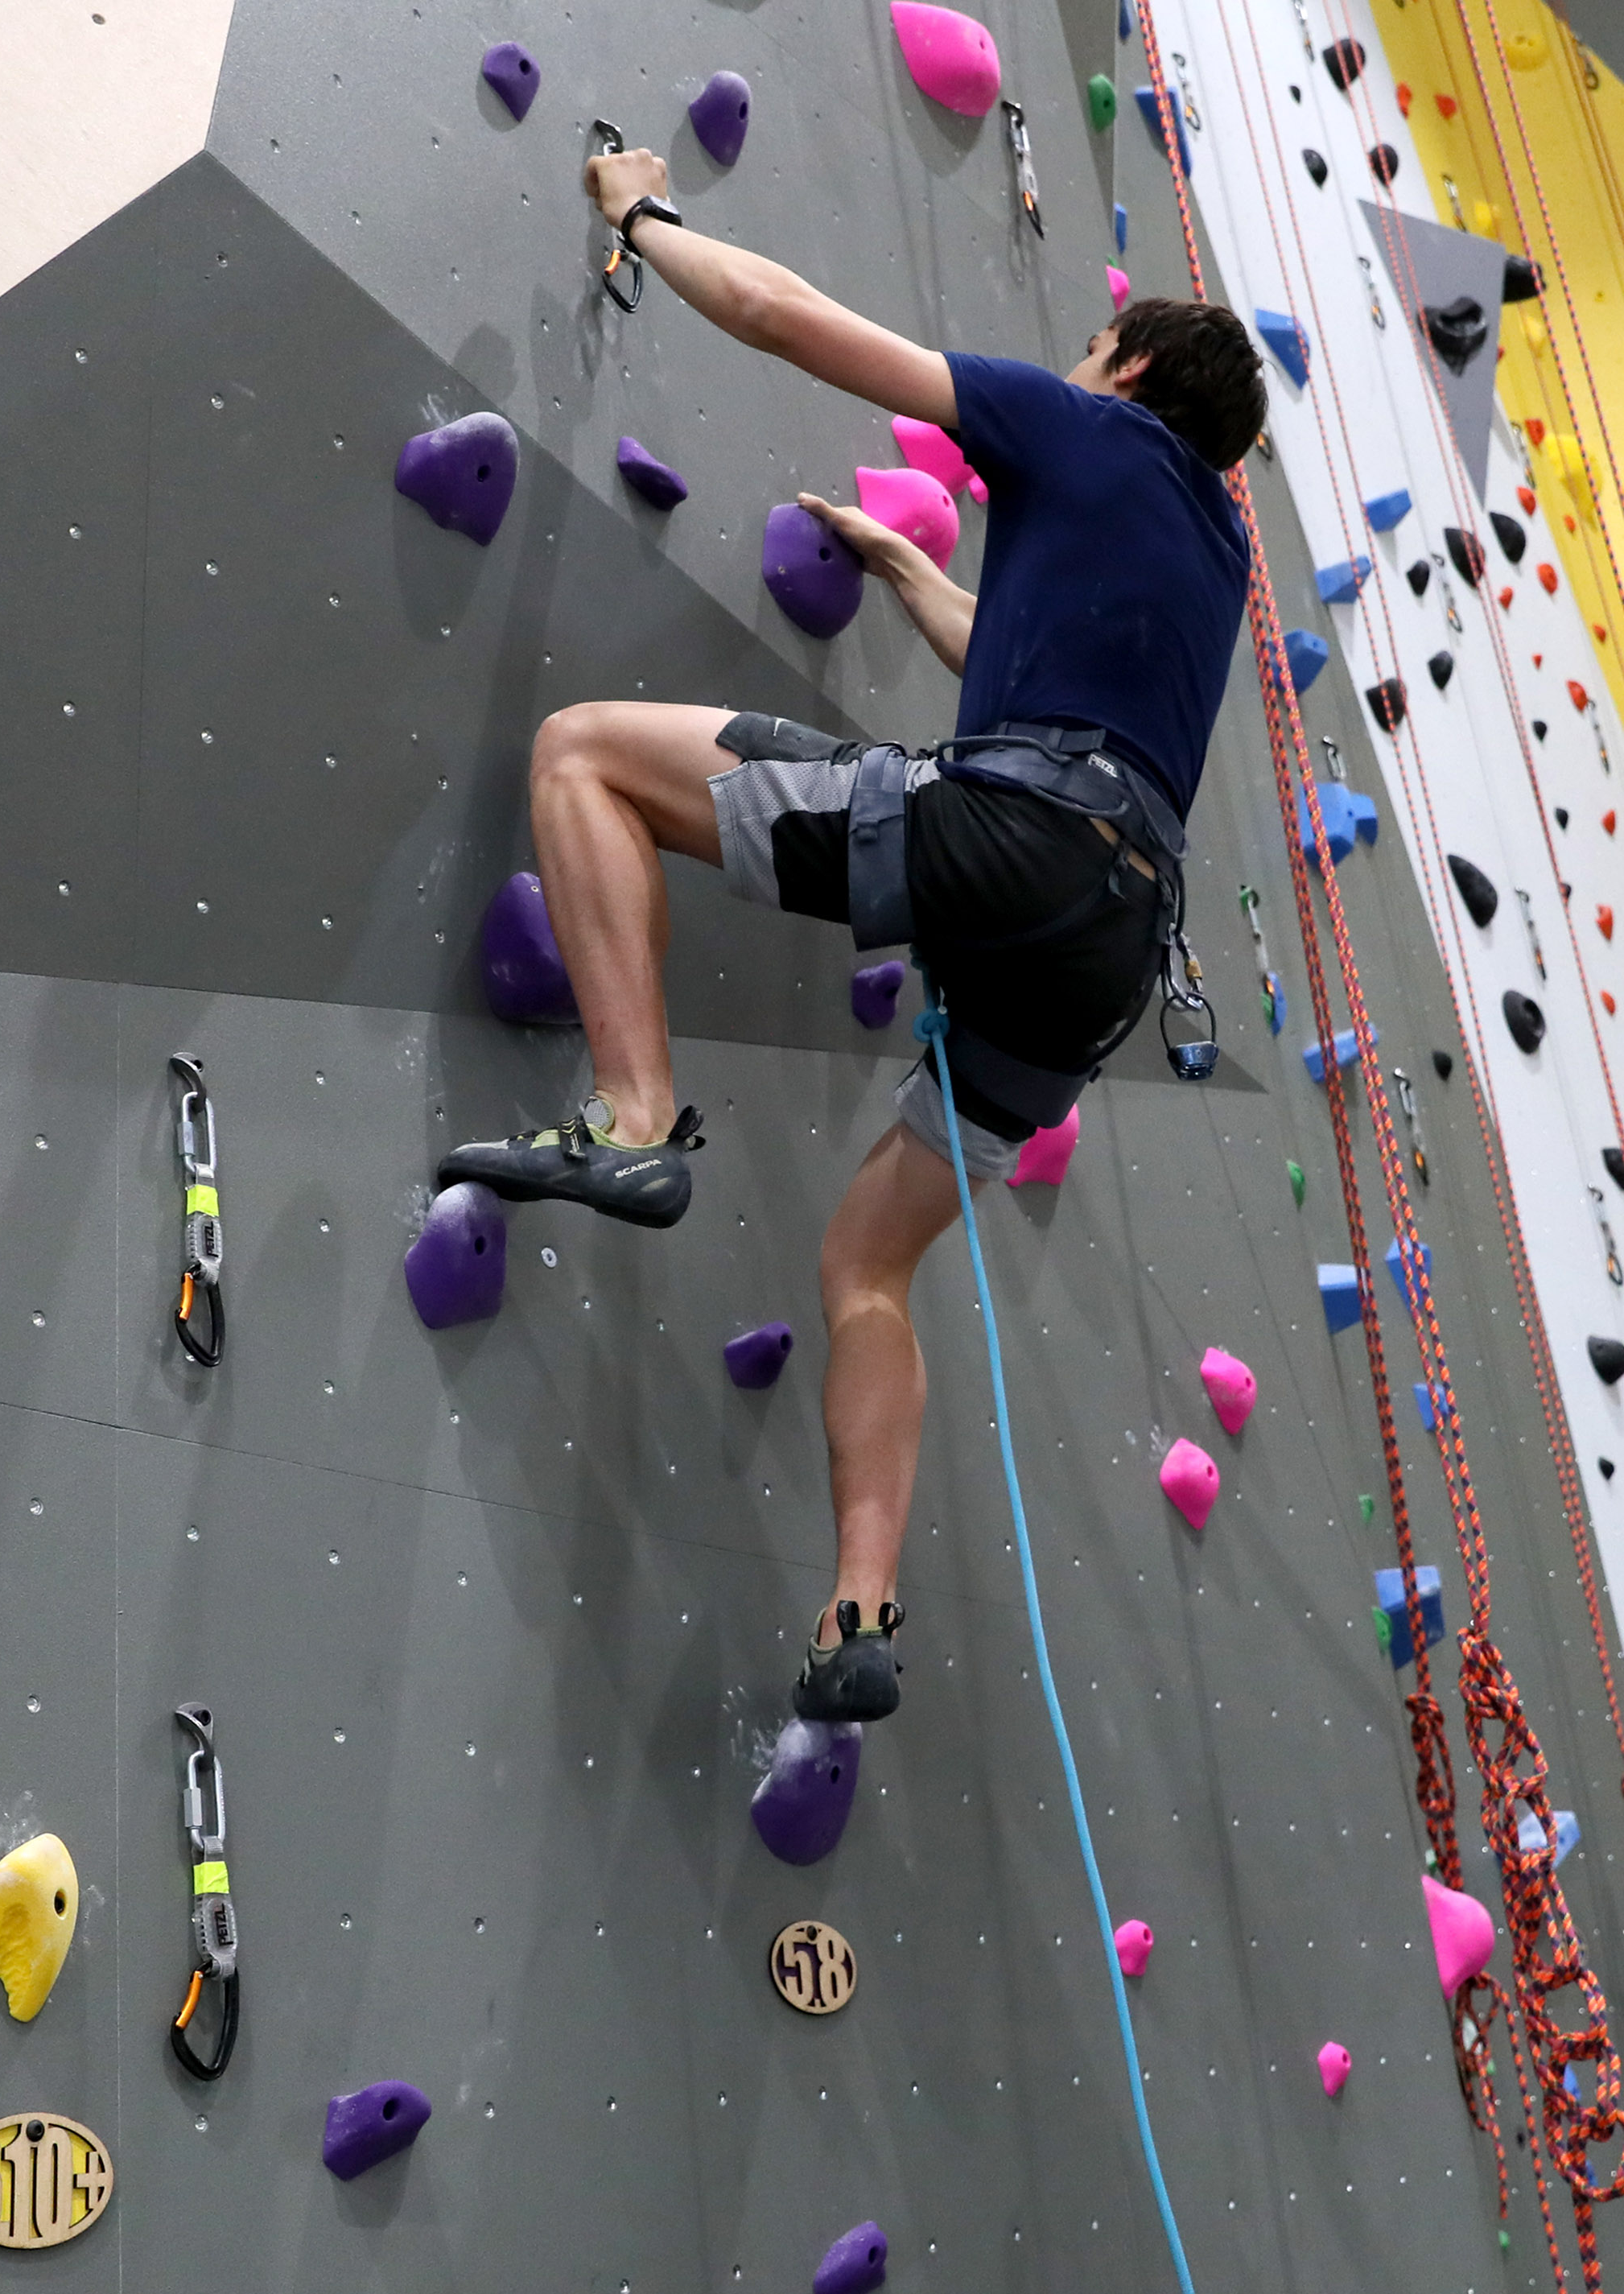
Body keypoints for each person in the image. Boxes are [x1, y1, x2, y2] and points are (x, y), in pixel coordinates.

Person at [436, 138, 1265, 1727]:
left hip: (1007, 841)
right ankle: (856, 1612)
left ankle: (629, 1119)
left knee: (583, 755)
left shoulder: (1075, 422)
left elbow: (774, 310)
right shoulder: (1212, 555)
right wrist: (909, 574)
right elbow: (1053, 690)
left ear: (1131, 368)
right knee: (862, 1262)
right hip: (1105, 941)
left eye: (1098, 354)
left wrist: (645, 214)